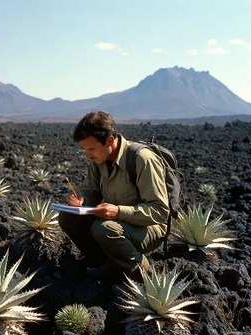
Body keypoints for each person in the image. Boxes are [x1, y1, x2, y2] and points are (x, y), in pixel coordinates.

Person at [58, 111, 169, 281]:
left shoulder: (142, 160)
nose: (88, 155)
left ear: (110, 140)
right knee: (68, 216)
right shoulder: (99, 160)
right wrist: (82, 200)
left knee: (104, 229)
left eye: (91, 149)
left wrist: (118, 212)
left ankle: (144, 276)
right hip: (117, 222)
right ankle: (103, 265)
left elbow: (159, 211)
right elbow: (91, 191)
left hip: (149, 227)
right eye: (85, 149)